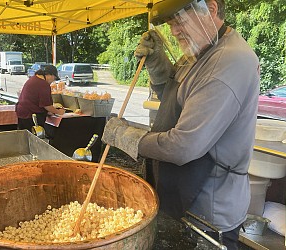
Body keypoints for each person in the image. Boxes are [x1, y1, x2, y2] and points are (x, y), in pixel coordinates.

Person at [102, 1, 260, 249]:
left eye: (179, 19)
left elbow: (183, 147)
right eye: (170, 23)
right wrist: (156, 63)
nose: (174, 31)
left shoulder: (228, 61)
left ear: (211, 8)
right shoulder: (199, 50)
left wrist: (126, 137)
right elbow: (174, 97)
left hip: (207, 213)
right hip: (179, 194)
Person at [16, 65, 65, 131]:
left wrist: (49, 112)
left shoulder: (34, 78)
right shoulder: (43, 84)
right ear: (50, 75)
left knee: (25, 137)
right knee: (33, 138)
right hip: (30, 115)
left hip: (22, 112)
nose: (53, 81)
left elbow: (36, 100)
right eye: (54, 78)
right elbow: (47, 106)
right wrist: (58, 112)